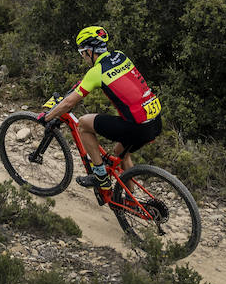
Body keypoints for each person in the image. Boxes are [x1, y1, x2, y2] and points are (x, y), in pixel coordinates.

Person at [36, 25, 163, 190]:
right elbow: (85, 84)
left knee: (83, 123)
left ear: (90, 51)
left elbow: (69, 104)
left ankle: (100, 176)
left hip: (136, 127)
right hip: (154, 121)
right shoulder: (120, 56)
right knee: (120, 153)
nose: (83, 57)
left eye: (82, 52)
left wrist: (47, 117)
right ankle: (130, 200)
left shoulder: (96, 72)